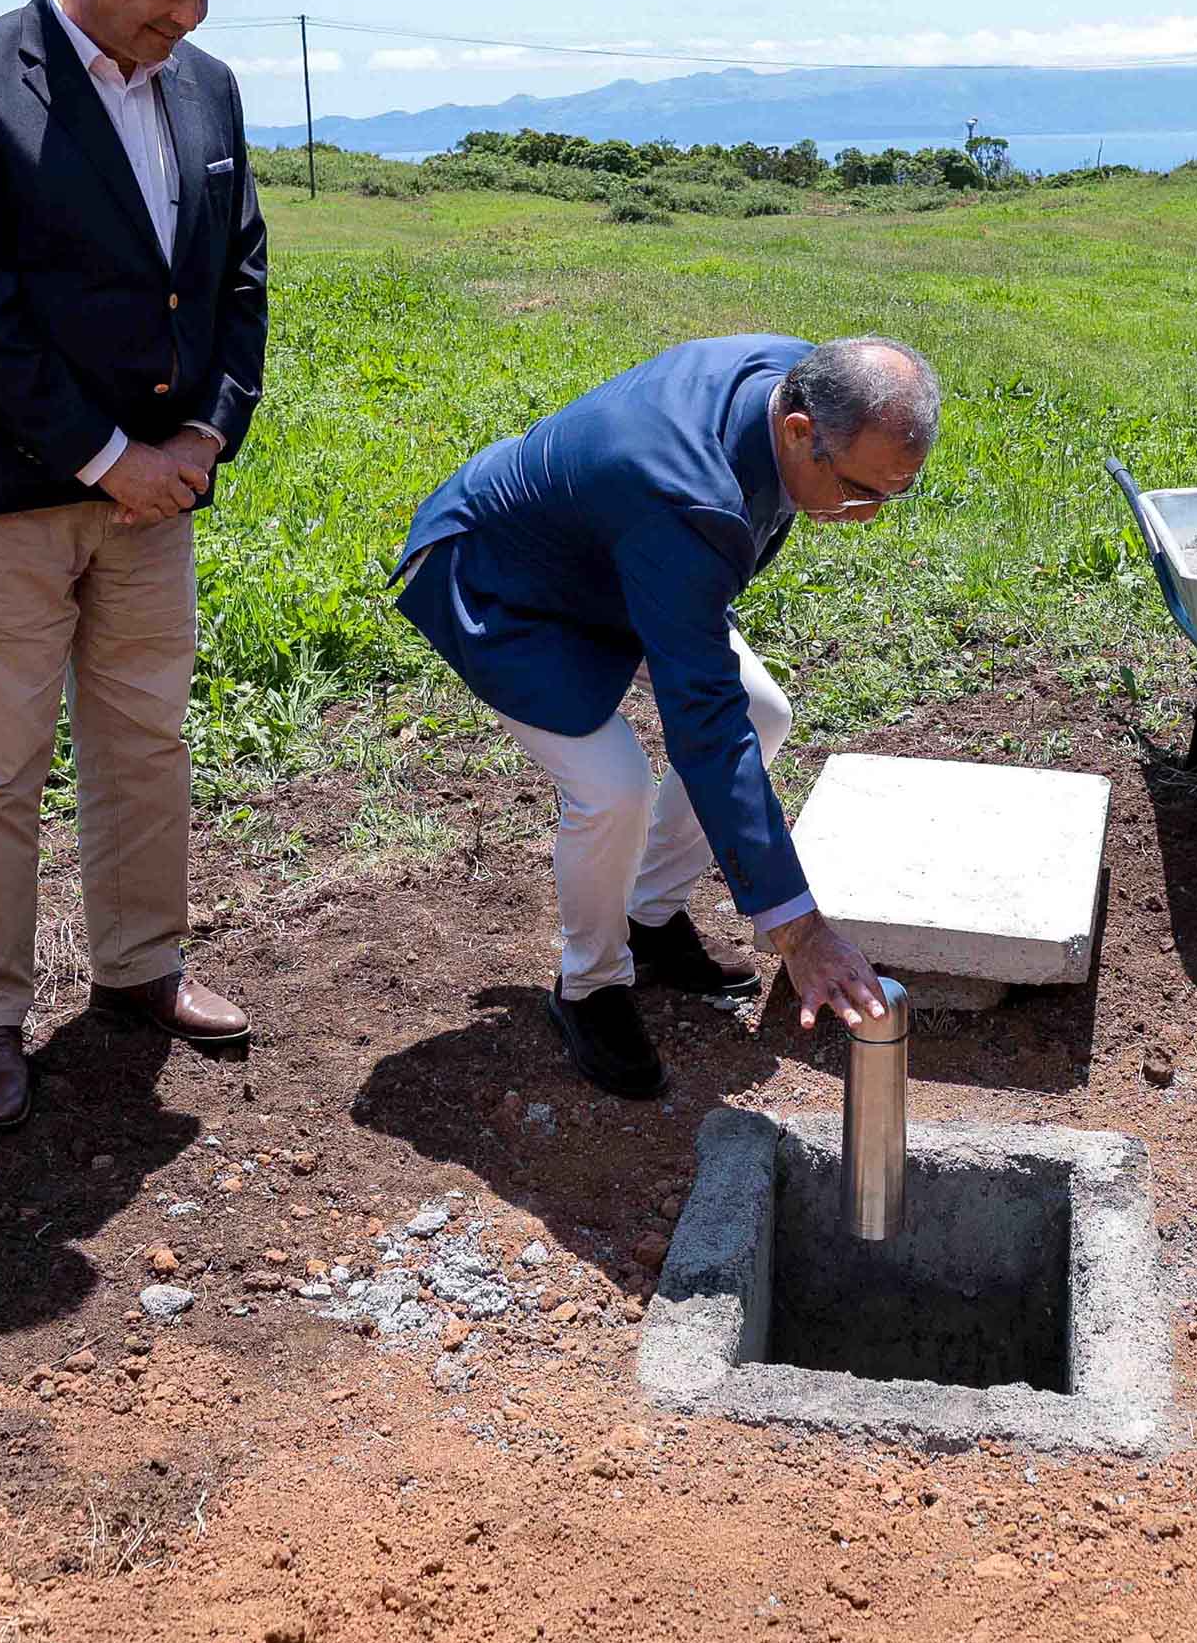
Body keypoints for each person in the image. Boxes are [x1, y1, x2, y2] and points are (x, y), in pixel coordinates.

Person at [0, 0, 271, 1131]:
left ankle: (142, 967)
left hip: (162, 494)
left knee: (145, 740)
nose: (191, 15)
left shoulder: (207, 87)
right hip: (9, 488)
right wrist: (113, 455)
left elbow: (242, 276)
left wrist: (209, 433)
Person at [391, 335, 923, 1096]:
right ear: (800, 432)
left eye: (889, 495)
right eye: (860, 491)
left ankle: (649, 914)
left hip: (614, 559)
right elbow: (704, 725)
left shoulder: (801, 382)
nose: (867, 516)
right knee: (614, 788)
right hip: (499, 579)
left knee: (764, 714)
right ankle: (591, 985)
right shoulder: (685, 497)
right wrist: (799, 931)